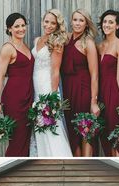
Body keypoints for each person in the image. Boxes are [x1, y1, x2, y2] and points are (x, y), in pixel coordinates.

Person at [31, 9, 72, 156]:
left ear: (57, 25)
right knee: (39, 122)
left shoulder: (57, 42)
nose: (48, 25)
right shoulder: (37, 40)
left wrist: (53, 98)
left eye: (53, 23)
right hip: (36, 86)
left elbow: (55, 71)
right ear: (42, 22)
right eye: (46, 21)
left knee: (51, 122)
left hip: (48, 86)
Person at [0, 13, 34, 156]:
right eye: (17, 26)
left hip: (28, 97)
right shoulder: (8, 48)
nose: (21, 29)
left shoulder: (25, 46)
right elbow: (0, 76)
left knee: (25, 139)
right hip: (14, 98)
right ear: (9, 29)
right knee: (17, 139)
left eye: (23, 25)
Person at [61, 9, 100, 157]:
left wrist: (94, 102)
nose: (77, 23)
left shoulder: (88, 43)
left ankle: (86, 163)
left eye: (81, 20)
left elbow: (95, 74)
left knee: (84, 128)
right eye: (75, 20)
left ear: (86, 24)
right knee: (71, 131)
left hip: (83, 90)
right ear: (71, 21)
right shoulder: (65, 39)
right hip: (67, 90)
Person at [97, 10, 119, 157]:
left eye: (111, 22)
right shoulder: (100, 45)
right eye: (105, 22)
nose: (107, 25)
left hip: (115, 94)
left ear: (117, 26)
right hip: (102, 94)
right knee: (105, 135)